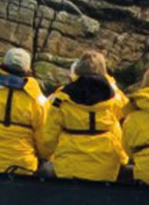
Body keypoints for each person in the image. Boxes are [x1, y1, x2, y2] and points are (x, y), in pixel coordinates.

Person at [43, 51, 128, 182]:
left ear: (77, 70)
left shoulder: (61, 99)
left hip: (68, 166)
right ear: (103, 70)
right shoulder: (115, 98)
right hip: (106, 166)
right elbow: (127, 125)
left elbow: (49, 138)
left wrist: (47, 155)